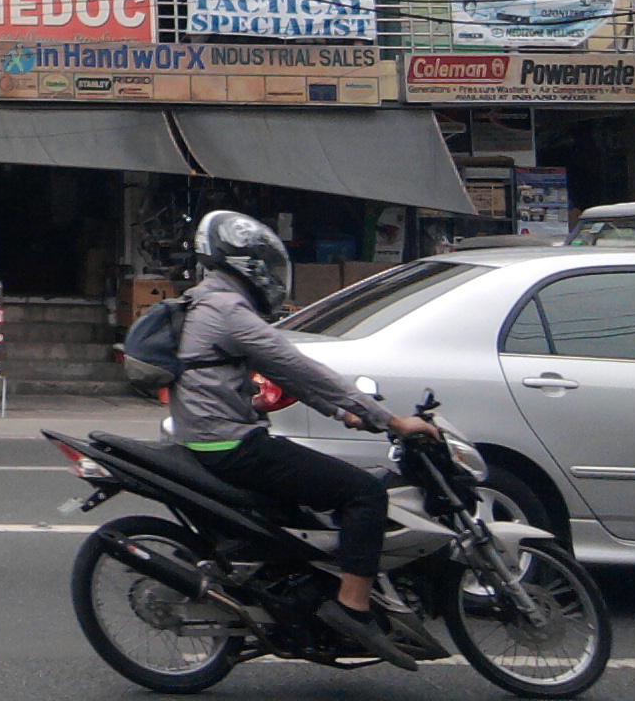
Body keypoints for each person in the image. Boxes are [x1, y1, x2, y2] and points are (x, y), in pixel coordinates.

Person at [172, 210, 440, 670]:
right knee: (364, 493)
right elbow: (298, 367)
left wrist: (344, 412)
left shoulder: (207, 302)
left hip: (213, 438)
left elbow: (282, 374)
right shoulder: (227, 310)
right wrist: (390, 420)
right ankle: (352, 609)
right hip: (232, 444)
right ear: (248, 266)